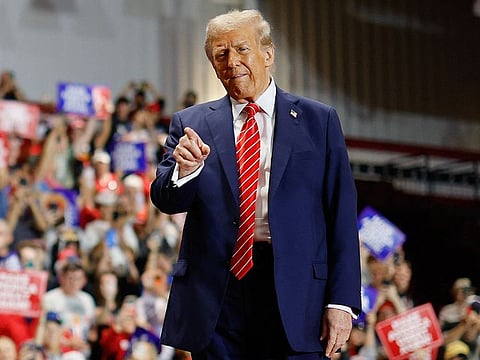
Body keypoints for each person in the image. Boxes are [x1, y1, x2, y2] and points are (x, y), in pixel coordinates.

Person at [149, 8, 361, 359]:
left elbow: (340, 213)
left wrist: (342, 300)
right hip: (218, 295)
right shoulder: (191, 123)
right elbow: (166, 199)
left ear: (268, 54)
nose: (231, 61)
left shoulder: (317, 120)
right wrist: (184, 171)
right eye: (220, 54)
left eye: (241, 49)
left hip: (297, 292)